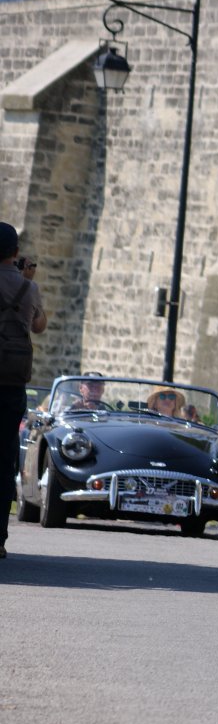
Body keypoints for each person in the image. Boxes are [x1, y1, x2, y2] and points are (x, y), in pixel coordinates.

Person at [0, 222, 48, 560]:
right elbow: (39, 325)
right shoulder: (27, 288)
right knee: (4, 462)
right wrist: (26, 280)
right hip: (10, 384)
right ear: (16, 253)